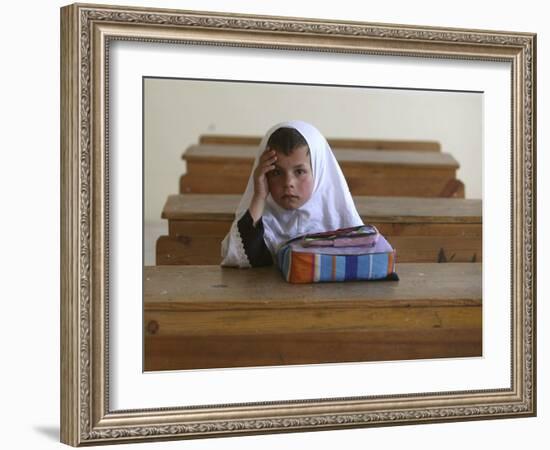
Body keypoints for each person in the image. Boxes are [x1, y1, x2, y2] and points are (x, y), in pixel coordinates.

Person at [220, 120, 363, 268]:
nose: (288, 182)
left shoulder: (340, 221)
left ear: (319, 172)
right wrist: (259, 197)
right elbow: (239, 260)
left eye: (299, 172)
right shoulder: (258, 217)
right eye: (276, 172)